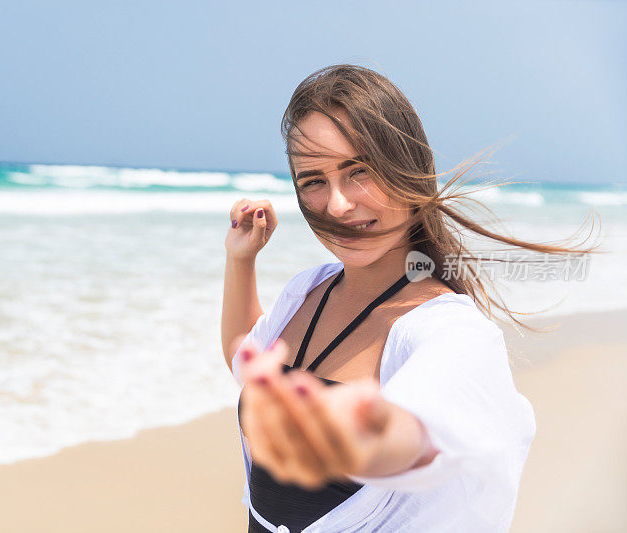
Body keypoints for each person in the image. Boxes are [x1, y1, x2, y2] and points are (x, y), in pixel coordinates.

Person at [220, 64, 596, 532]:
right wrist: (241, 261)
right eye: (313, 180)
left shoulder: (449, 330)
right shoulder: (308, 291)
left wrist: (360, 437)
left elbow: (424, 432)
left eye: (359, 170)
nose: (337, 204)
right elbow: (244, 356)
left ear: (407, 169)